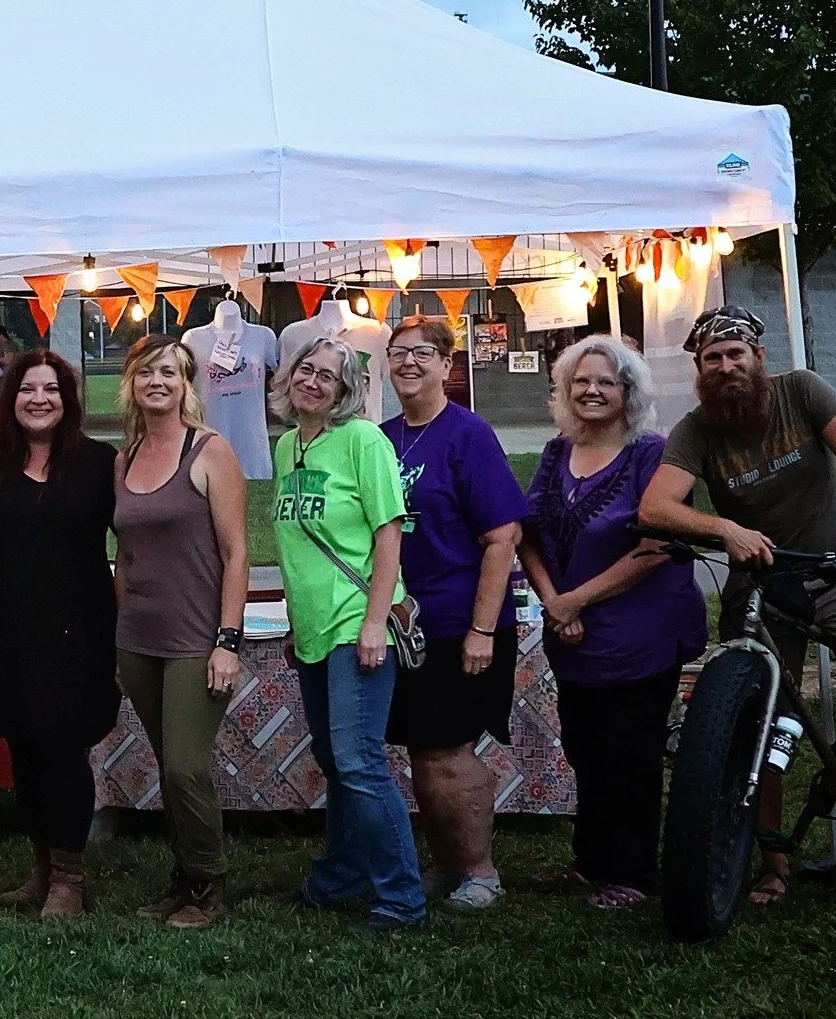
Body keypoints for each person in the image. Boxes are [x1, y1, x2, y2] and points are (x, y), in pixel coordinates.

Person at [638, 304, 836, 913]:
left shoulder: (803, 392)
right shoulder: (696, 429)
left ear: (759, 357)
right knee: (758, 720)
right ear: (699, 369)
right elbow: (656, 509)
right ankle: (774, 863)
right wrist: (722, 528)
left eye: (735, 354)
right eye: (712, 358)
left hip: (833, 570)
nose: (724, 366)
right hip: (760, 583)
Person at [517, 337, 705, 909]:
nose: (593, 390)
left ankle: (633, 872)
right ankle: (592, 859)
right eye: (582, 381)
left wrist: (578, 601)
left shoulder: (653, 455)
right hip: (571, 632)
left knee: (631, 754)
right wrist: (556, 602)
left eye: (607, 382)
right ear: (565, 390)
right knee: (585, 747)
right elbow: (527, 533)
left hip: (640, 633)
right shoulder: (556, 453)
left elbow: (656, 546)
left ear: (629, 393)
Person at [0, 350, 119, 919]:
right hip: (4, 632)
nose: (39, 399)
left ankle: (70, 876)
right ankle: (42, 865)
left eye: (51, 390)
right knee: (23, 750)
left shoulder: (98, 463)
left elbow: (146, 533)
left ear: (68, 401)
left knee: (64, 750)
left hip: (80, 632)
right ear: (7, 398)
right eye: (27, 389)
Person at [269, 336, 424, 934]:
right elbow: (296, 546)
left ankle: (400, 900)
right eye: (306, 369)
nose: (312, 382)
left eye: (327, 377)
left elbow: (390, 533)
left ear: (345, 392)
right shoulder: (288, 447)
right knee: (334, 761)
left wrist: (374, 622)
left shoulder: (363, 441)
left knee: (360, 761)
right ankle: (339, 876)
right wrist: (293, 620)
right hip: (310, 626)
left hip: (356, 621)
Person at [379, 315, 528, 911]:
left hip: (458, 621)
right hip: (400, 624)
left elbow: (503, 536)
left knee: (447, 749)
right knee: (420, 747)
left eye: (422, 353)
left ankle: (481, 871)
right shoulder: (381, 438)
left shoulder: (468, 434)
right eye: (397, 353)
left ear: (447, 364)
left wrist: (482, 629)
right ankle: (445, 865)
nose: (408, 363)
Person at [111, 335, 250, 930]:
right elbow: (125, 554)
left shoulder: (210, 450)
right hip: (138, 640)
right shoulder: (124, 458)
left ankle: (210, 884)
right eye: (146, 373)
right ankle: (184, 876)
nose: (157, 383)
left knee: (185, 767)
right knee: (168, 760)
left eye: (168, 372)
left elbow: (237, 552)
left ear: (186, 383)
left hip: (198, 640)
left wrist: (228, 638)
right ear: (132, 385)